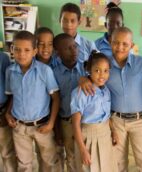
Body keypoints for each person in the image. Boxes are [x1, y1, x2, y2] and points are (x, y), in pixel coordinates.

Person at [80, 27, 142, 171]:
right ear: (110, 42)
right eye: (116, 42)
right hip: (116, 121)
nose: (120, 47)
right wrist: (82, 78)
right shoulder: (104, 64)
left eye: (125, 44)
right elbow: (92, 76)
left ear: (132, 45)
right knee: (118, 162)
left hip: (141, 120)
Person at [5, 31, 61, 172]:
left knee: (49, 161)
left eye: (27, 50)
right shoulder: (10, 71)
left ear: (35, 51)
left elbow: (56, 98)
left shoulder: (44, 71)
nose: (21, 54)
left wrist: (51, 123)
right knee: (24, 164)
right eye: (17, 49)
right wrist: (8, 113)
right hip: (20, 128)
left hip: (42, 126)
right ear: (11, 49)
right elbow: (12, 96)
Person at [71, 51, 117, 172]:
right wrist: (83, 150)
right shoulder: (81, 92)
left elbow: (107, 116)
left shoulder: (106, 90)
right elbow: (75, 124)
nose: (102, 75)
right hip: (87, 137)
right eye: (97, 70)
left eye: (106, 71)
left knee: (107, 167)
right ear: (89, 71)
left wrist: (113, 131)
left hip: (105, 134)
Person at [53, 33, 86, 172]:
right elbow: (53, 102)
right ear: (58, 53)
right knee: (71, 156)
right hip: (66, 122)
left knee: (85, 155)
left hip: (86, 122)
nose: (74, 51)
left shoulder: (86, 69)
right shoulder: (54, 73)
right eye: (68, 48)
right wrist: (57, 129)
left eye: (74, 46)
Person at [0, 52, 17, 172]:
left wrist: (7, 111)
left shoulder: (3, 58)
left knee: (7, 152)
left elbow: (11, 90)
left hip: (1, 111)